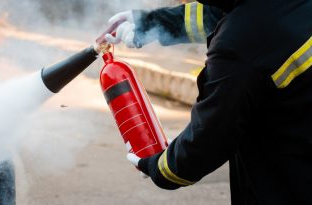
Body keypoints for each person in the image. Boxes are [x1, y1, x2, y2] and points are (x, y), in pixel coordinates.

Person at [105, 0, 312, 204]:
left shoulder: (242, 43)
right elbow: (217, 12)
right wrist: (151, 23)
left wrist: (160, 167)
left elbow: (211, 136)